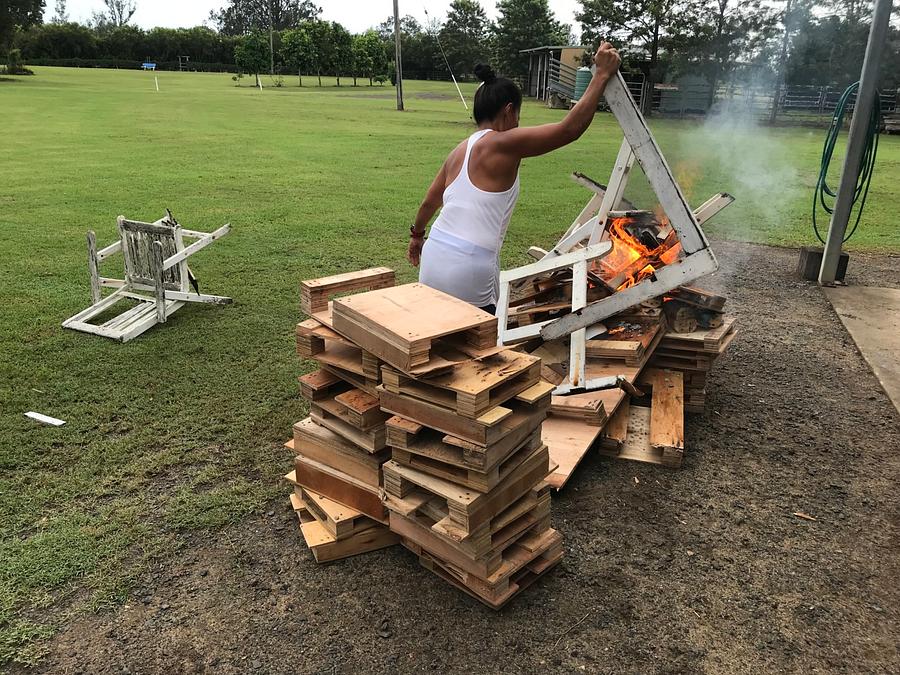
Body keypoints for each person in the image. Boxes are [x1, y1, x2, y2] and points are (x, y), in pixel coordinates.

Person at [407, 42, 622, 315]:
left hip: (434, 254)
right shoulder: (502, 143)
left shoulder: (458, 151)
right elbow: (569, 130)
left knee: (439, 333)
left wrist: (416, 237)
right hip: (469, 264)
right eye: (518, 115)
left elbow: (428, 203)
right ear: (509, 111)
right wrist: (600, 75)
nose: (519, 123)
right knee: (480, 342)